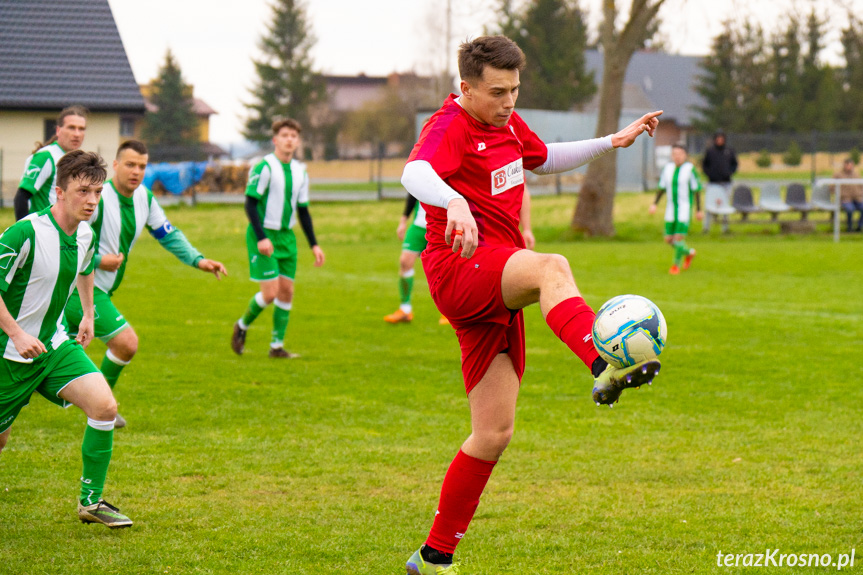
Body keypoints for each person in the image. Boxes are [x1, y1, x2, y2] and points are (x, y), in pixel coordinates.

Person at [399, 35, 662, 575]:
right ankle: (604, 359)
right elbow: (413, 172)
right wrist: (452, 201)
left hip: (493, 279)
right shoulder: (450, 125)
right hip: (459, 269)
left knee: (493, 432)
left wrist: (612, 140)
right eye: (497, 92)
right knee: (551, 266)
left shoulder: (506, 123)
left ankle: (434, 556)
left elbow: (542, 159)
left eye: (515, 90)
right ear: (466, 88)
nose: (509, 102)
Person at [0, 150, 132, 528]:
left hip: (54, 346)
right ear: (59, 191)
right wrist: (15, 331)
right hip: (7, 352)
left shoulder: (86, 233)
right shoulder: (24, 232)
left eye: (98, 192)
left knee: (104, 407)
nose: (91, 201)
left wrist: (89, 313)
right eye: (83, 191)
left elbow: (85, 268)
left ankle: (91, 502)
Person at [63, 140, 227, 428]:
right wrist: (101, 260)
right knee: (126, 343)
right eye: (130, 164)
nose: (136, 171)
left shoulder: (145, 199)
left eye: (142, 166)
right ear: (115, 166)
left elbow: (167, 233)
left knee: (42, 354)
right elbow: (70, 238)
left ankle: (93, 402)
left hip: (103, 290)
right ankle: (100, 406)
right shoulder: (99, 197)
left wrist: (198, 260)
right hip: (80, 289)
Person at [231, 118, 325, 358]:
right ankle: (242, 325)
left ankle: (276, 347)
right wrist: (262, 237)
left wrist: (313, 244)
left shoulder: (300, 172)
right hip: (263, 234)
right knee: (271, 292)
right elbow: (250, 204)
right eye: (285, 135)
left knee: (287, 292)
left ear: (298, 141)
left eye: (294, 136)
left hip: (286, 237)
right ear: (275, 140)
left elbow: (303, 210)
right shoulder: (264, 167)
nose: (289, 139)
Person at [384, 188, 535, 325]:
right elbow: (413, 189)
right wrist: (403, 220)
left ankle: (449, 313)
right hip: (419, 225)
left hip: (444, 224)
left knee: (449, 267)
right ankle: (405, 309)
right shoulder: (421, 163)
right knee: (405, 262)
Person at [15, 105, 88, 221]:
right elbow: (21, 197)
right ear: (58, 130)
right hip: (43, 230)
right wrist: (24, 233)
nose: (77, 134)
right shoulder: (46, 156)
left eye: (81, 129)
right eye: (71, 128)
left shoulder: (77, 159)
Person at [649, 144, 703, 274]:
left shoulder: (690, 169)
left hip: (684, 209)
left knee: (678, 238)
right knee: (668, 239)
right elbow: (661, 188)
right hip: (671, 209)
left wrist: (699, 210)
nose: (677, 156)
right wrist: (654, 204)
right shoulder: (668, 169)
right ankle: (689, 253)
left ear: (685, 155)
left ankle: (675, 266)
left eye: (680, 153)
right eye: (675, 154)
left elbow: (696, 190)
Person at [700, 130, 737, 233]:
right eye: (718, 139)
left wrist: (729, 172)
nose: (720, 141)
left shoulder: (729, 151)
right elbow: (704, 165)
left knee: (725, 206)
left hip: (726, 183)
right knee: (709, 205)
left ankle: (725, 228)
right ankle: (706, 227)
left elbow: (734, 164)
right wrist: (710, 174)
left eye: (722, 139)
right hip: (713, 183)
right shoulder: (710, 151)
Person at [832, 158, 863, 232]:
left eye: (850, 165)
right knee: (850, 209)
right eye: (847, 165)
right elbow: (832, 187)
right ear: (844, 165)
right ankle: (849, 227)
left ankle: (859, 226)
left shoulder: (856, 174)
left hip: (857, 198)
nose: (849, 167)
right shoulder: (838, 175)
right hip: (845, 199)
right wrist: (840, 195)